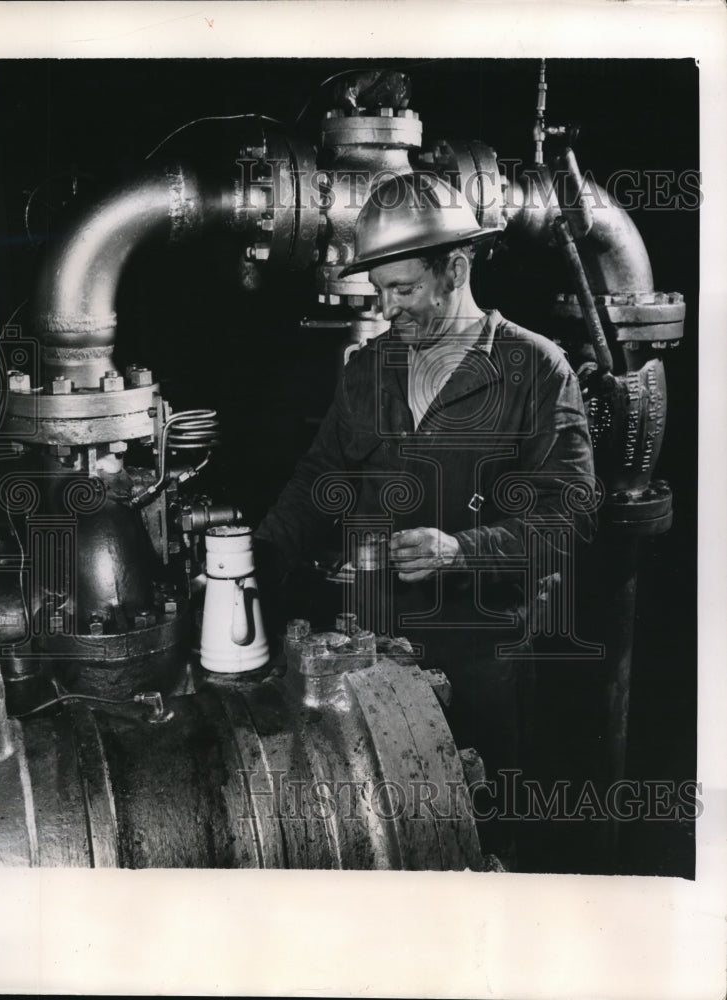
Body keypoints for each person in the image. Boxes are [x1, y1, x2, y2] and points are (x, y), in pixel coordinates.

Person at [255, 172, 596, 827]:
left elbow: (570, 517)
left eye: (404, 289)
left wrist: (459, 551)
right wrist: (260, 557)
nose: (388, 308)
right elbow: (319, 478)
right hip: (367, 656)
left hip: (479, 663)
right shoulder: (368, 369)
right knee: (382, 830)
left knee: (476, 828)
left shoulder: (534, 370)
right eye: (380, 291)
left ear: (456, 270)